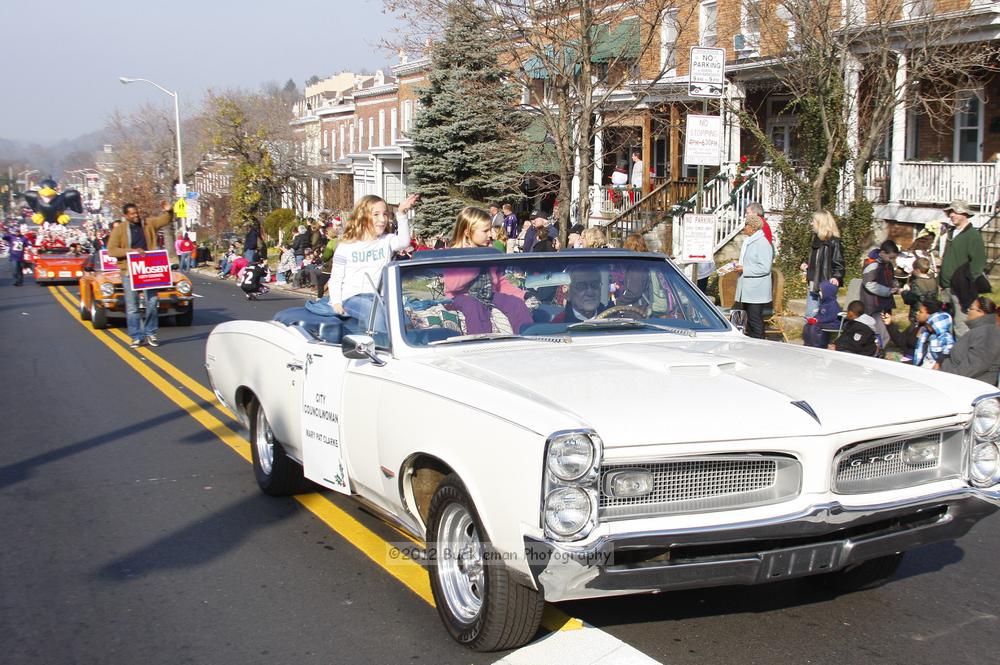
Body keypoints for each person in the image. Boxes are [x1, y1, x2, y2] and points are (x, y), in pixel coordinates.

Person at [329, 193, 417, 333]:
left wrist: (401, 213)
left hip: (380, 297)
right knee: (375, 315)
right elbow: (336, 279)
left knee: (403, 321)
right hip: (353, 297)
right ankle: (380, 349)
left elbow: (404, 242)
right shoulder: (346, 246)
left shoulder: (387, 240)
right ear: (362, 216)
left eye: (385, 214)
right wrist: (336, 303)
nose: (382, 219)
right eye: (376, 214)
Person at [445, 207, 533, 334]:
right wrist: (476, 265)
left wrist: (522, 294)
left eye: (490, 230)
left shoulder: (489, 252)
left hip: (489, 294)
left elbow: (500, 283)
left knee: (515, 303)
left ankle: (528, 337)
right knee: (474, 306)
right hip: (462, 297)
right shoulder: (455, 253)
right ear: (467, 232)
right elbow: (452, 285)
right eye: (485, 231)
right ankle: (480, 343)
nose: (491, 234)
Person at [106, 201, 175, 348]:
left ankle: (151, 332)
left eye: (136, 212)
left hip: (148, 269)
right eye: (132, 214)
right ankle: (136, 336)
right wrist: (131, 251)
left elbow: (165, 220)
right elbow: (112, 250)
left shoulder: (148, 224)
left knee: (152, 302)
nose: (136, 215)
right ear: (126, 216)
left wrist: (169, 211)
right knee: (132, 306)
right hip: (129, 270)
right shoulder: (120, 230)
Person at [939, 199, 987, 336]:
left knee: (961, 325)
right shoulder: (950, 233)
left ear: (965, 214)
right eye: (950, 212)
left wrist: (966, 281)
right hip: (946, 286)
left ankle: (963, 354)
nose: (952, 215)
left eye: (956, 212)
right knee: (946, 322)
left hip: (961, 288)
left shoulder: (972, 235)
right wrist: (941, 281)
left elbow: (978, 262)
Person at [941, 297, 1000, 383]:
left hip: (969, 386)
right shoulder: (980, 331)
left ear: (980, 312)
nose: (968, 311)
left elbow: (975, 365)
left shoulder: (988, 333)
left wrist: (948, 379)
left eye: (970, 308)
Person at [734, 215, 773, 339]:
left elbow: (765, 267)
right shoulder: (751, 241)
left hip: (756, 290)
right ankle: (752, 343)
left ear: (753, 227)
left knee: (755, 320)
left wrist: (745, 269)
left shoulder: (762, 243)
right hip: (749, 289)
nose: (744, 227)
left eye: (746, 225)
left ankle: (759, 344)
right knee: (750, 320)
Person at [800, 210, 844, 319]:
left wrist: (836, 277)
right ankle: (812, 334)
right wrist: (807, 264)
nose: (811, 223)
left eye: (813, 221)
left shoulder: (833, 242)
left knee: (821, 315)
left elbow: (839, 263)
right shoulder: (816, 239)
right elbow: (816, 260)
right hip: (813, 282)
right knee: (811, 315)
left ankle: (817, 334)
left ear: (820, 223)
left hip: (825, 283)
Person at [861, 239, 899, 343]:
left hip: (885, 302)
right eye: (890, 257)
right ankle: (877, 350)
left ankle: (881, 347)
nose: (892, 260)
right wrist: (888, 291)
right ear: (882, 253)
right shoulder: (872, 265)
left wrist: (895, 286)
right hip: (874, 304)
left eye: (894, 258)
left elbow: (891, 278)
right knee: (880, 330)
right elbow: (869, 284)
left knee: (886, 326)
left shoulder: (888, 264)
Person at [913, 299, 955, 368]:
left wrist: (939, 362)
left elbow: (948, 351)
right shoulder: (926, 333)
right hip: (925, 363)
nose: (917, 313)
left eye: (920, 312)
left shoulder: (945, 337)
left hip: (935, 366)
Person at [802, 281, 841, 348]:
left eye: (821, 291)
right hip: (824, 321)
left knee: (815, 327)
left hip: (833, 323)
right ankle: (807, 343)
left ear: (828, 293)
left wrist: (818, 320)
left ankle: (818, 345)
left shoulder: (833, 305)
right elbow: (820, 314)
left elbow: (831, 317)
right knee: (807, 325)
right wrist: (814, 318)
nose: (819, 293)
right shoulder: (824, 303)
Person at [901, 257, 938, 323]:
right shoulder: (933, 280)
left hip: (918, 311)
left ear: (917, 270)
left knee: (916, 330)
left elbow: (911, 298)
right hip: (931, 310)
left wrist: (904, 291)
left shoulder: (916, 283)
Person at [316, 223, 340, 299]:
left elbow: (326, 256)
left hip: (329, 266)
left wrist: (321, 257)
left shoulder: (331, 243)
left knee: (321, 283)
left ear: (329, 234)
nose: (326, 236)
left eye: (326, 234)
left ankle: (319, 298)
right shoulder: (340, 241)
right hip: (339, 265)